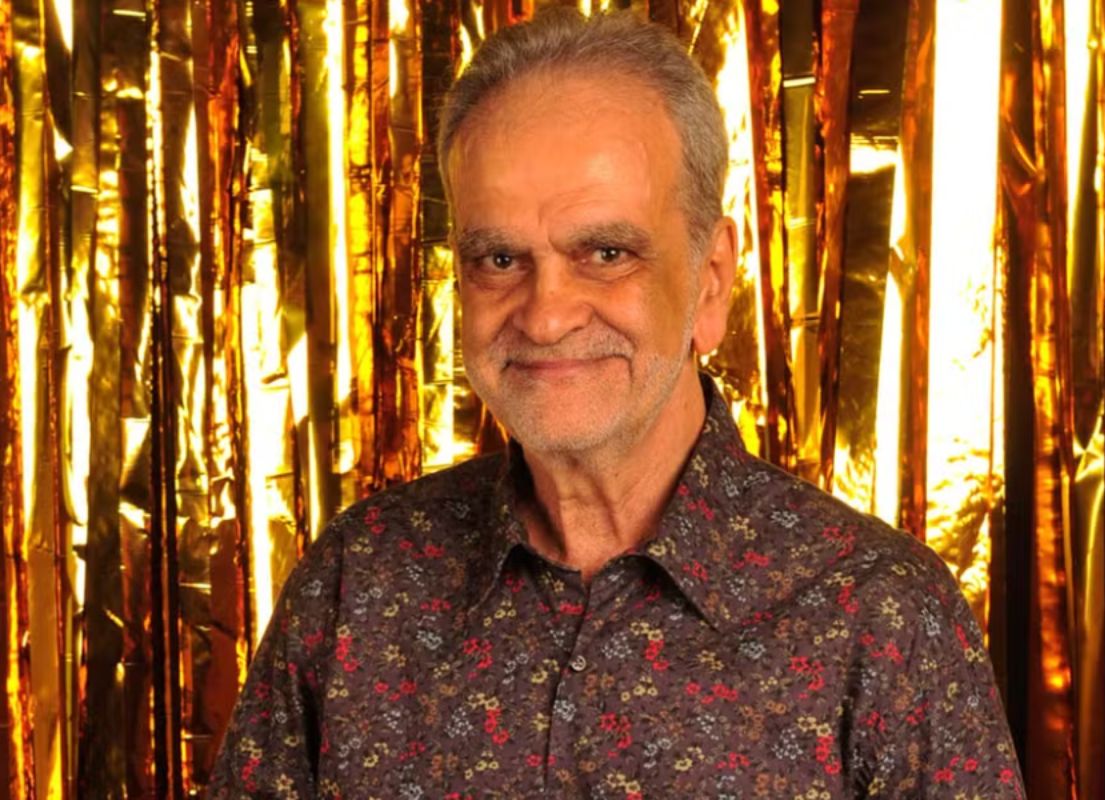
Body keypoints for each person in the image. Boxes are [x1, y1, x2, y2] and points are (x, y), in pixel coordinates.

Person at [208, 8, 1025, 798]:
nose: (546, 315)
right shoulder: (360, 582)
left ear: (711, 281)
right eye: (500, 259)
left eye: (606, 252)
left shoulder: (882, 616)